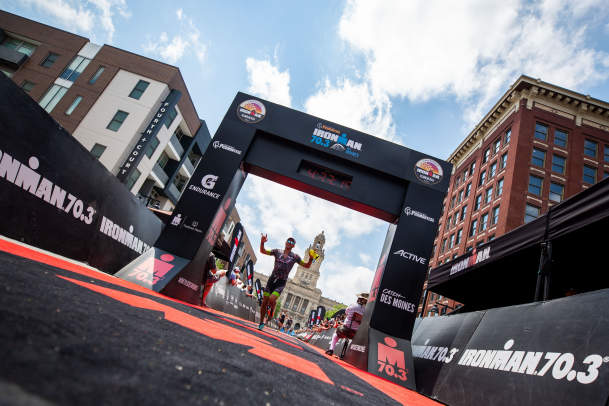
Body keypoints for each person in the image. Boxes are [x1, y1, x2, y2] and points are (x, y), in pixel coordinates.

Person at [258, 234, 314, 330]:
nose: (290, 243)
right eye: (289, 241)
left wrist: (311, 258)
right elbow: (263, 251)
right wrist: (262, 242)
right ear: (285, 242)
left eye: (292, 242)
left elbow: (306, 265)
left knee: (271, 299)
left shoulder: (295, 257)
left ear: (293, 246)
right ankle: (261, 322)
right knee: (264, 302)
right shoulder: (277, 251)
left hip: (281, 282)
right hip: (272, 279)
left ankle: (272, 308)